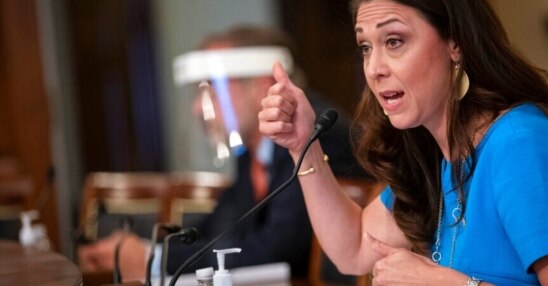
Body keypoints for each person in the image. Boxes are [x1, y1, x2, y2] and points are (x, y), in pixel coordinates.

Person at [258, 0, 548, 285]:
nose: (374, 68)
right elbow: (354, 249)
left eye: (394, 41)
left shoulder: (522, 146)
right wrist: (302, 143)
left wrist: (444, 282)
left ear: (455, 44)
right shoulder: (437, 153)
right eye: (366, 47)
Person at [77, 25, 365, 281]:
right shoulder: (250, 149)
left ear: (264, 85)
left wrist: (153, 260)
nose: (196, 107)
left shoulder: (312, 130)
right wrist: (146, 248)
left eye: (212, 88)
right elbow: (223, 226)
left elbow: (279, 248)